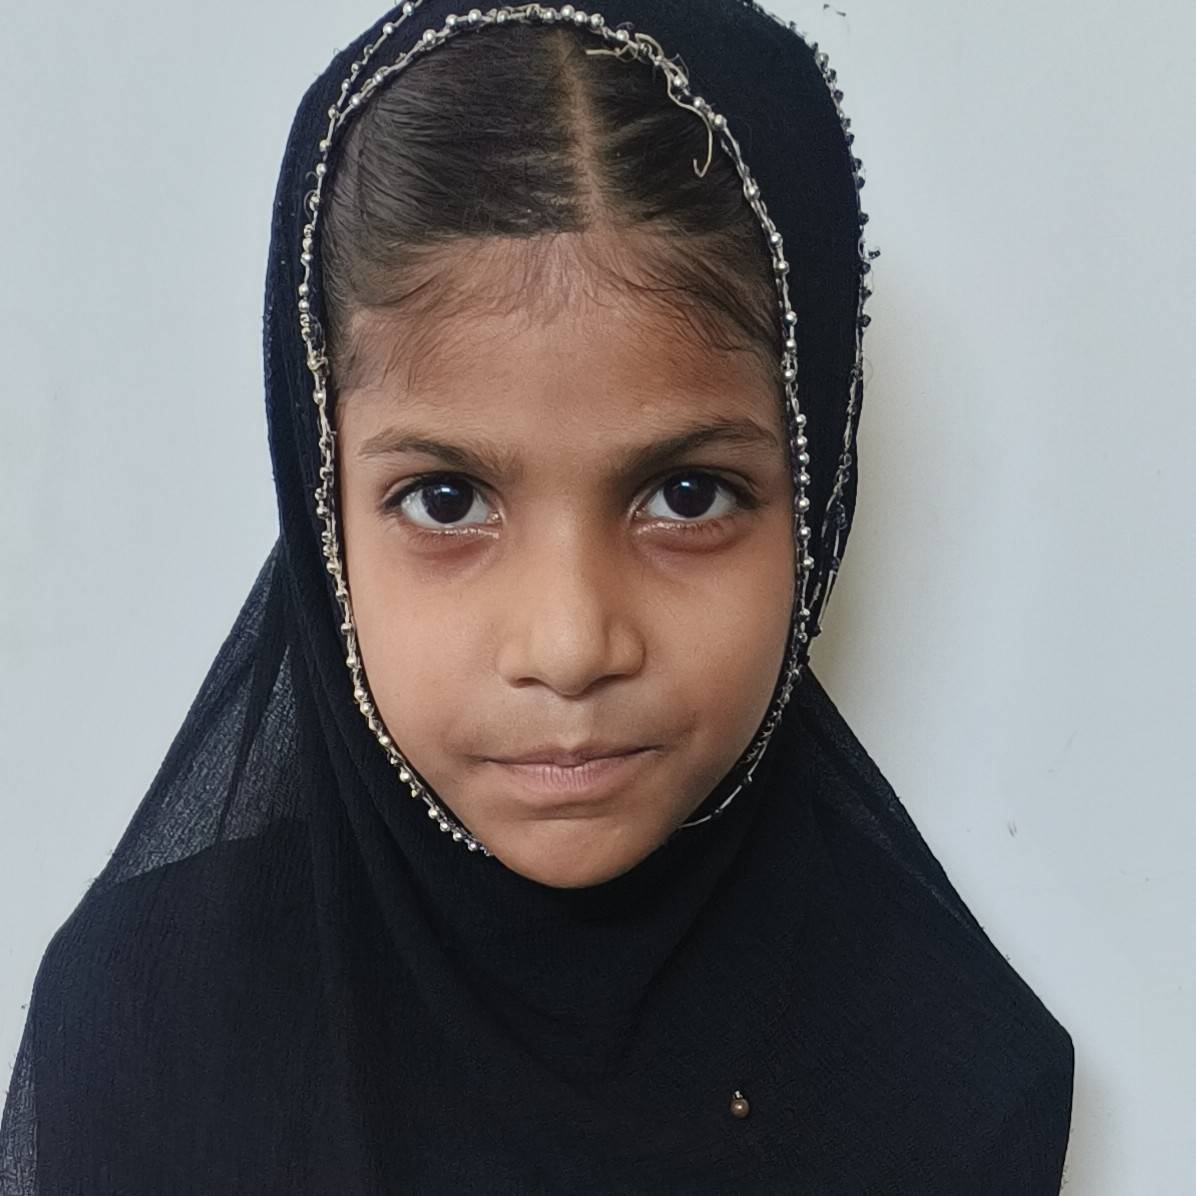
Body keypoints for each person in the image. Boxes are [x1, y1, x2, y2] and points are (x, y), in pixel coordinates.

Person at [0, 1, 1074, 1192]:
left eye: (685, 493)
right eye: (447, 499)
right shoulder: (150, 1030)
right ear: (320, 508)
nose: (567, 644)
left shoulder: (944, 1077)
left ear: (811, 495)